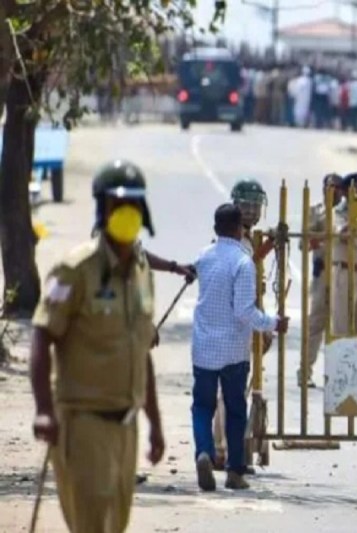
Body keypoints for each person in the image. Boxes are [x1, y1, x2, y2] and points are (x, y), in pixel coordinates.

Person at [30, 159, 165, 532]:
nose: (127, 212)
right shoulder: (76, 270)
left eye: (135, 205)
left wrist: (155, 422)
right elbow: (43, 334)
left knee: (114, 527)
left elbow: (141, 350)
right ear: (102, 208)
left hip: (127, 428)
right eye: (119, 204)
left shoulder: (140, 273)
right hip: (83, 425)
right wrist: (44, 408)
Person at [191, 204, 289, 492]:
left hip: (204, 348)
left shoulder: (204, 257)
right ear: (238, 228)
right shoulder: (243, 263)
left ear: (215, 227)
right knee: (235, 410)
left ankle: (204, 453)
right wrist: (273, 323)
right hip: (233, 350)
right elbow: (245, 311)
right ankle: (234, 471)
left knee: (201, 406)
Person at [212, 178, 271, 472]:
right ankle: (223, 452)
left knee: (231, 390)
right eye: (246, 205)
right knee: (230, 391)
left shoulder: (245, 238)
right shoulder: (233, 238)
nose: (251, 210)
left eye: (254, 205)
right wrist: (263, 325)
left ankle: (222, 449)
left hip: (237, 322)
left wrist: (269, 246)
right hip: (234, 324)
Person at [297, 173, 344, 387]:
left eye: (336, 187)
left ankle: (339, 373)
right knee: (315, 322)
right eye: (328, 187)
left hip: (343, 272)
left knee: (341, 324)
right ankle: (305, 371)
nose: (331, 191)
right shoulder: (316, 211)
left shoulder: (347, 213)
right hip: (323, 271)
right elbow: (304, 243)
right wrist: (325, 240)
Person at [331, 172, 357, 335]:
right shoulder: (339, 212)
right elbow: (341, 233)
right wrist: (355, 215)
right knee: (342, 328)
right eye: (355, 188)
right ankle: (342, 361)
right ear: (345, 192)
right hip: (346, 273)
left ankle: (356, 362)